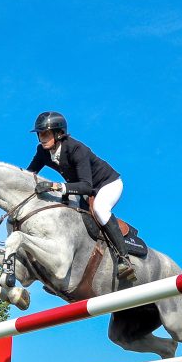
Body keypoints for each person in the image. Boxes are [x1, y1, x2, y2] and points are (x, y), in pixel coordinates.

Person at [26, 111, 137, 282]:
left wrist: (55, 186)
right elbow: (29, 174)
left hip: (106, 184)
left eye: (46, 133)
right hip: (83, 187)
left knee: (100, 210)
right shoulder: (42, 151)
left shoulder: (76, 149)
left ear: (59, 133)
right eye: (40, 134)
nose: (42, 138)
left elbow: (87, 186)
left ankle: (124, 259)